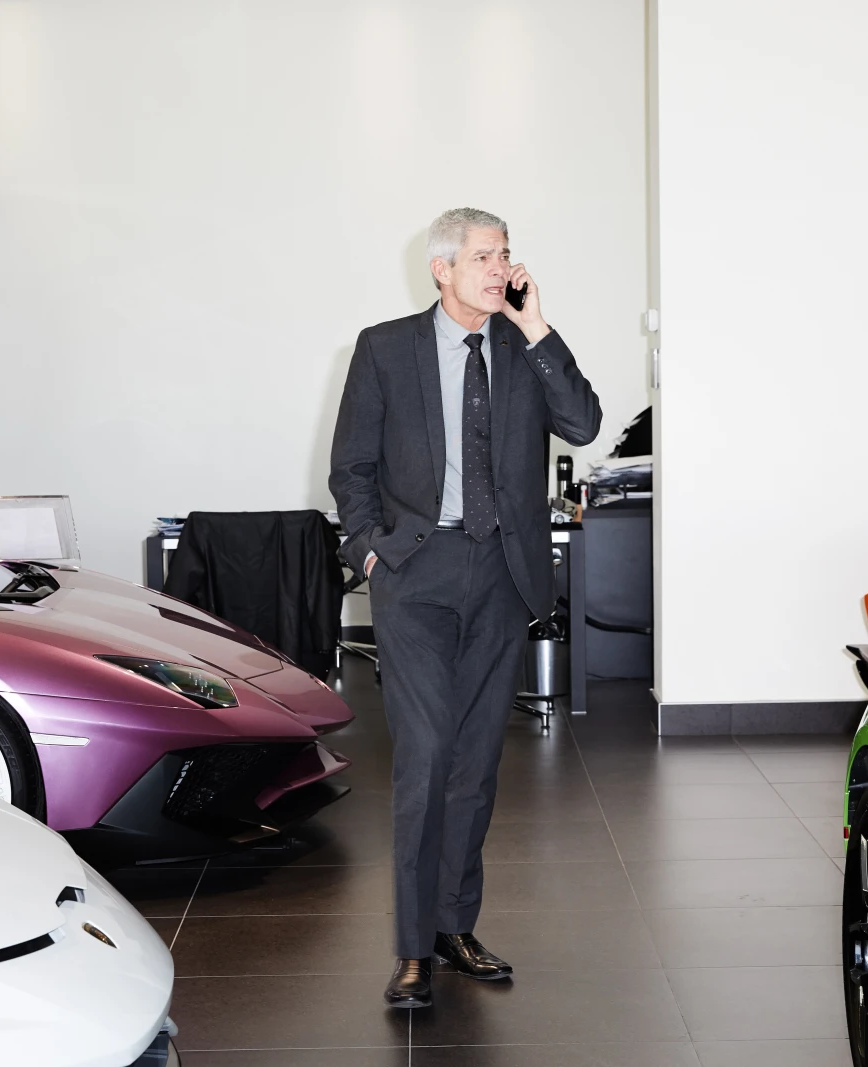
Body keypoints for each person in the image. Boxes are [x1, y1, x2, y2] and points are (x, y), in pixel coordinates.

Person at [329, 207, 602, 1009]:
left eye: (505, 254)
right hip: (416, 571)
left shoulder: (523, 348)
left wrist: (538, 326)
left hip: (502, 576)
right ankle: (414, 947)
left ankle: (455, 925)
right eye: (483, 256)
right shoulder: (384, 348)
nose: (499, 268)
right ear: (441, 268)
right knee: (425, 756)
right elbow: (352, 467)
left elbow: (583, 424)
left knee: (476, 764)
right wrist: (369, 550)